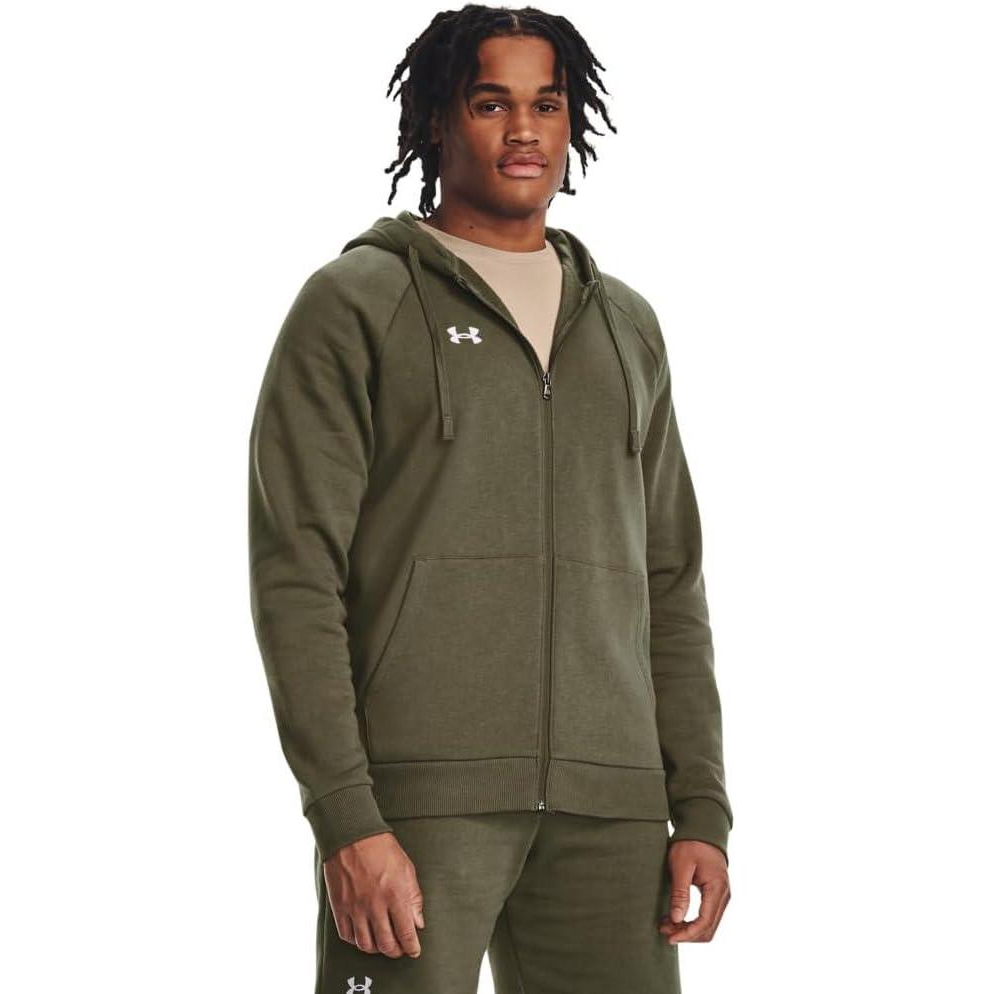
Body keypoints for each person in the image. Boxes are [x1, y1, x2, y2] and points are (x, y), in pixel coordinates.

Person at [248, 5, 733, 992]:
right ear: (437, 120)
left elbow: (670, 581)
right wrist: (346, 815)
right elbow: (297, 574)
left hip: (613, 807)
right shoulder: (357, 302)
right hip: (418, 801)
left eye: (546, 104)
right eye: (489, 103)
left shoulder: (626, 326)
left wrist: (700, 807)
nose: (523, 131)